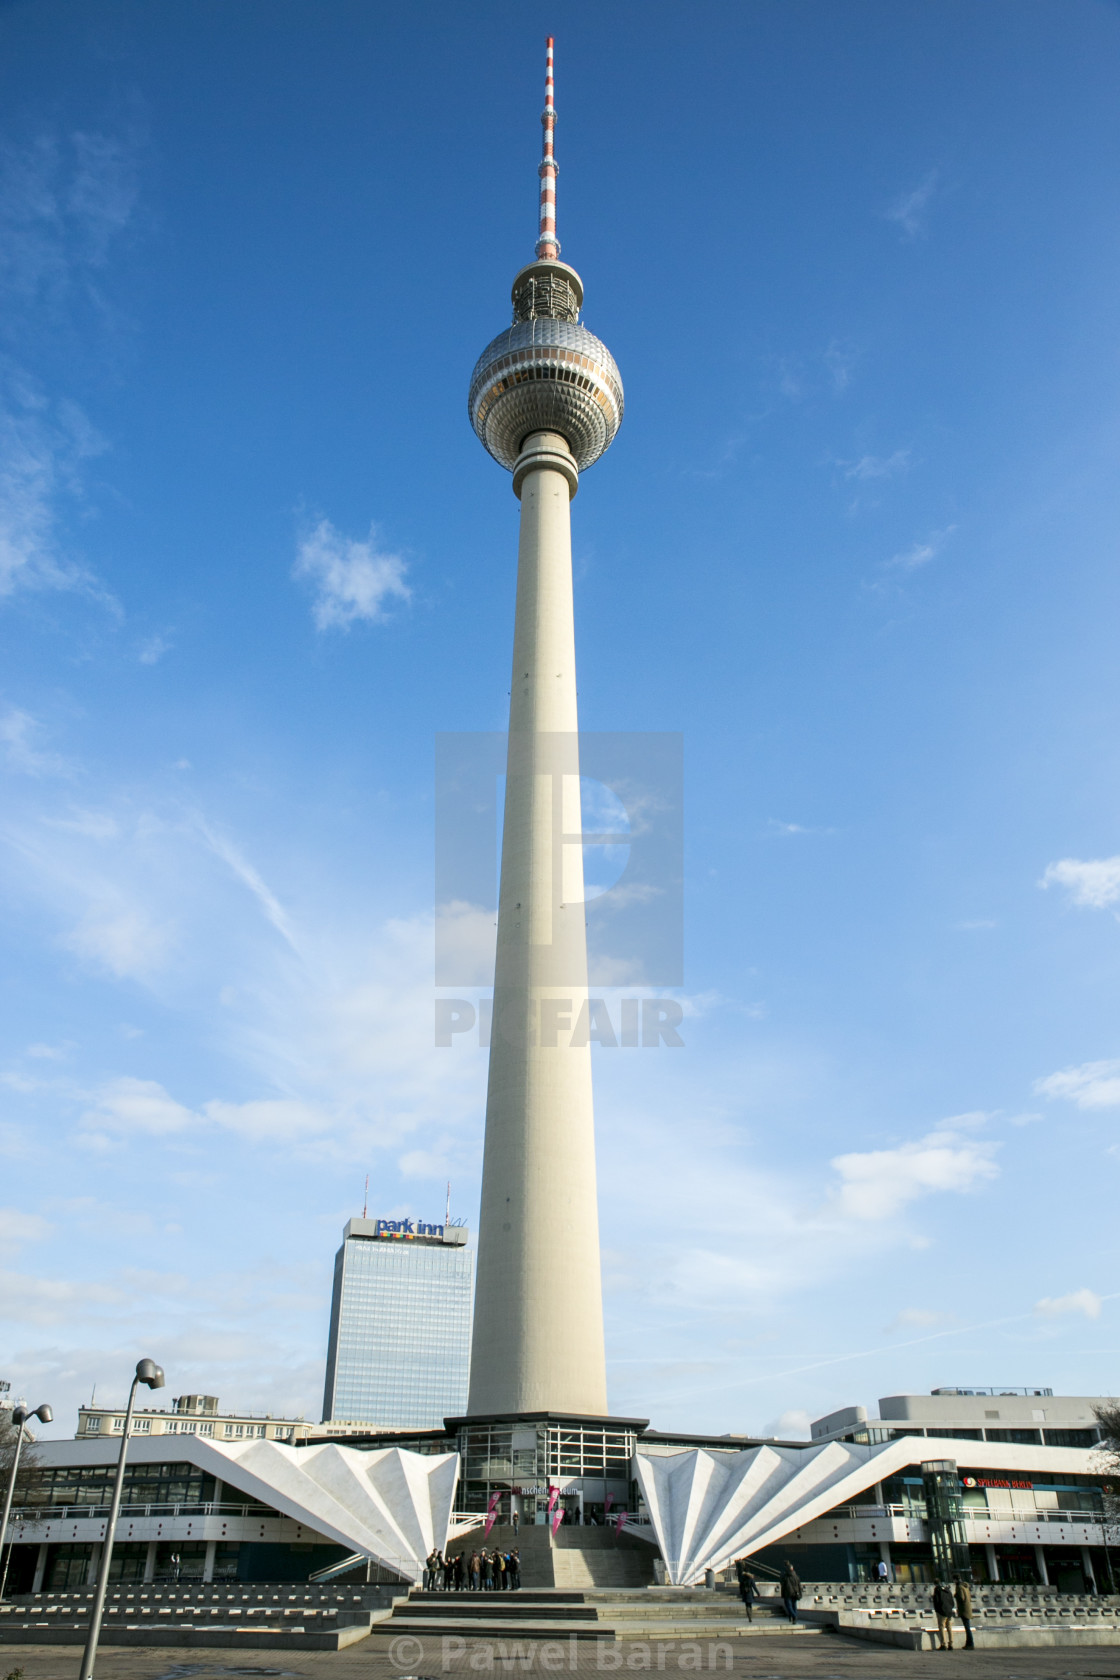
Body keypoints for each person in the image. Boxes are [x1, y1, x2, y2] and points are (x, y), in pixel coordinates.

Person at [931, 1579, 956, 1649]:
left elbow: (936, 1601)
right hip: (949, 1611)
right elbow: (952, 1601)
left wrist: (937, 1610)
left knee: (941, 1627)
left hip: (941, 1611)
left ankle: (943, 1644)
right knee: (949, 1627)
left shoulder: (937, 1590)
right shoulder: (947, 1590)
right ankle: (951, 1644)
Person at [953, 1575, 974, 1649]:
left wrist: (956, 1595)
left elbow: (961, 1598)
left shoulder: (959, 1587)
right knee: (967, 1627)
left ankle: (970, 1644)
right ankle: (968, 1644)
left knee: (967, 1627)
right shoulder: (965, 1586)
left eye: (954, 1580)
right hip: (968, 1608)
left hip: (963, 1609)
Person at [734, 1558, 757, 1623]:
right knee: (750, 1605)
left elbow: (741, 1583)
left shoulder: (743, 1577)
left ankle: (749, 1616)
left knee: (747, 1605)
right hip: (750, 1592)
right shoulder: (751, 1578)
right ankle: (750, 1616)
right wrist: (758, 1593)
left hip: (745, 1592)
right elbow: (754, 1586)